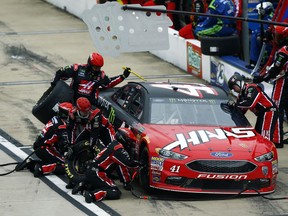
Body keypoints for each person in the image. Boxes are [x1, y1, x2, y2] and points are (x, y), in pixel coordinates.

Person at [253, 22, 288, 148]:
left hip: (283, 82)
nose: (275, 38)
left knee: (276, 108)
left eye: (278, 36)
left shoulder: (284, 51)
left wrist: (261, 78)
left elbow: (275, 69)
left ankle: (277, 139)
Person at [16, 102, 74, 177]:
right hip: (45, 148)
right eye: (70, 113)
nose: (72, 115)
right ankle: (41, 169)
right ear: (65, 114)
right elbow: (65, 144)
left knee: (59, 158)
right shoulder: (61, 126)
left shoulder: (55, 118)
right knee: (66, 165)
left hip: (41, 146)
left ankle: (31, 164)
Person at [71, 140, 140, 203]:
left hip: (90, 170)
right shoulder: (118, 150)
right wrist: (140, 164)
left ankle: (85, 185)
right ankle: (92, 195)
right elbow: (128, 163)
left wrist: (127, 182)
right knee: (115, 192)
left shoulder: (112, 144)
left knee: (103, 183)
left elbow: (121, 166)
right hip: (97, 173)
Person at [51, 52, 131, 105]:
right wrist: (54, 86)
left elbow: (109, 83)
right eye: (95, 67)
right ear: (89, 63)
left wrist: (123, 76)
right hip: (72, 101)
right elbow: (60, 72)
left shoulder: (101, 75)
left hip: (89, 106)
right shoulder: (77, 68)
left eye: (99, 67)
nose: (97, 69)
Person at [228, 73, 279, 145]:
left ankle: (267, 151)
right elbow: (240, 111)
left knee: (265, 136)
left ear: (238, 83)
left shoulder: (251, 88)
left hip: (269, 111)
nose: (234, 90)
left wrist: (235, 105)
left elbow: (250, 104)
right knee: (258, 134)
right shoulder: (241, 94)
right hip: (262, 113)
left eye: (233, 87)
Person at [249, 2, 274, 68]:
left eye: (258, 12)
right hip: (272, 42)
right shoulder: (272, 16)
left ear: (264, 11)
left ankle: (254, 62)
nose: (258, 14)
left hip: (273, 43)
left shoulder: (269, 18)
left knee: (255, 34)